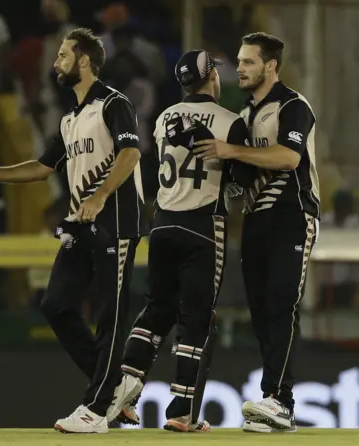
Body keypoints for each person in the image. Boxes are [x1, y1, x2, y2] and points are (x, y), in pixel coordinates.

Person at [0, 28, 145, 434]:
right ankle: (116, 386)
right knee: (56, 304)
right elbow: (42, 167)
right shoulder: (70, 118)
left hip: (115, 221)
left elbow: (130, 151)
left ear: (85, 61)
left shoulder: (113, 103)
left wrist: (100, 196)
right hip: (82, 223)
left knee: (111, 315)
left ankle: (95, 409)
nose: (55, 63)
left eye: (62, 56)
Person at [105, 49, 253, 432]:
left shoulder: (165, 117)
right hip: (202, 225)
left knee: (156, 309)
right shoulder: (231, 121)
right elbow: (239, 180)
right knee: (195, 319)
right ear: (211, 78)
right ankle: (181, 411)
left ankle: (124, 393)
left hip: (163, 223)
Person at [193, 32, 320, 433]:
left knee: (282, 304)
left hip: (292, 216)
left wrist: (231, 152)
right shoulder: (245, 115)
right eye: (239, 60)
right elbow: (244, 172)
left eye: (248, 62)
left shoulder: (293, 105)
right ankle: (273, 403)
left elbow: (289, 156)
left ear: (271, 66)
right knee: (263, 311)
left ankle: (281, 400)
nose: (240, 68)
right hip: (256, 220)